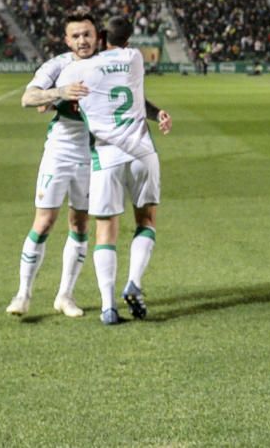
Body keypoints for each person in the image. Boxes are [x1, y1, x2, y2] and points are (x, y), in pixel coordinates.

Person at [57, 16, 172, 325]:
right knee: (146, 221)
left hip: (105, 157)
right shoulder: (134, 58)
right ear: (129, 40)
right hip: (142, 153)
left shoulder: (80, 69)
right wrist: (156, 111)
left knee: (105, 230)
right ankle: (133, 280)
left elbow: (58, 98)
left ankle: (108, 307)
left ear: (101, 36)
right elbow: (133, 96)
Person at [6, 11, 98, 318]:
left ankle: (65, 295)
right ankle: (23, 294)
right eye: (76, 35)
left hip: (92, 154)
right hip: (59, 151)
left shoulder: (108, 64)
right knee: (44, 222)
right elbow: (27, 98)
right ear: (67, 39)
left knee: (81, 224)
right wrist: (59, 92)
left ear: (96, 36)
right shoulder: (58, 65)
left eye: (87, 34)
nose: (82, 40)